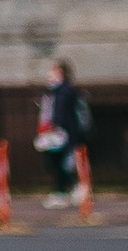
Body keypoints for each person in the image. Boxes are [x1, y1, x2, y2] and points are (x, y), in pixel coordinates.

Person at [37, 55, 91, 205]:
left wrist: (56, 125)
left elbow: (62, 113)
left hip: (65, 133)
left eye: (54, 70)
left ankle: (66, 191)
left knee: (63, 163)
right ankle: (68, 190)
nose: (50, 74)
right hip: (58, 133)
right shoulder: (55, 91)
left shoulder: (65, 91)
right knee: (58, 162)